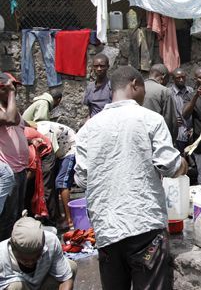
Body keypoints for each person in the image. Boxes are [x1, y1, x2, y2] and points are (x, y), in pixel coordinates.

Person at [74, 66, 188, 289]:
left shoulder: (88, 128)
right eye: (144, 89)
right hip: (144, 228)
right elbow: (170, 166)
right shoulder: (150, 119)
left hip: (107, 229)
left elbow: (82, 180)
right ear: (134, 84)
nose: (144, 96)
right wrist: (183, 163)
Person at [0, 215, 76, 289]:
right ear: (13, 249)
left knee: (70, 267)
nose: (30, 263)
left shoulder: (51, 241)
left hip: (43, 283)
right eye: (25, 260)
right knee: (15, 286)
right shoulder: (2, 256)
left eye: (36, 257)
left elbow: (66, 279)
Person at [0, 73, 29, 241]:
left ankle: (15, 250)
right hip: (7, 172)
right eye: (9, 88)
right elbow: (10, 120)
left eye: (15, 87)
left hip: (20, 170)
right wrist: (11, 93)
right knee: (6, 218)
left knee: (17, 214)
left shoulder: (12, 107)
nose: (14, 91)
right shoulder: (6, 111)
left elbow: (20, 128)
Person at [36, 121, 77, 229]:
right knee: (53, 182)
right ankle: (61, 216)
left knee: (61, 182)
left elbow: (50, 155)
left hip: (70, 149)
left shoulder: (44, 133)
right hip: (60, 151)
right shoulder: (36, 129)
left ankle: (70, 221)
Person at [142, 63, 179, 141]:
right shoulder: (164, 91)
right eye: (167, 80)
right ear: (164, 76)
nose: (167, 83)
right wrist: (171, 140)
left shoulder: (138, 88)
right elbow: (170, 121)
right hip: (156, 138)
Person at [170, 68, 194, 155]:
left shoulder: (191, 91)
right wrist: (173, 120)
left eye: (183, 77)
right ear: (173, 79)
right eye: (178, 78)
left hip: (191, 132)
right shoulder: (169, 93)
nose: (181, 80)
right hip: (178, 133)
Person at [83, 53, 112, 118]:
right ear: (93, 67)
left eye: (102, 66)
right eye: (96, 66)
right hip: (93, 124)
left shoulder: (111, 87)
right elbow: (90, 111)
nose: (99, 69)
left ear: (107, 67)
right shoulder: (90, 88)